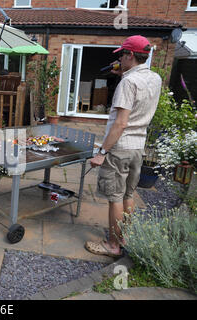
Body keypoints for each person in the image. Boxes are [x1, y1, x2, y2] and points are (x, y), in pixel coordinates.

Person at [84, 35, 162, 258]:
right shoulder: (154, 78)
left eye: (121, 54)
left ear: (129, 55)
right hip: (138, 147)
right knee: (129, 194)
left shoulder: (128, 83)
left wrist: (101, 153)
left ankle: (112, 245)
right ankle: (125, 237)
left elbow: (120, 123)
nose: (119, 58)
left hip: (120, 148)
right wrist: (123, 75)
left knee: (115, 197)